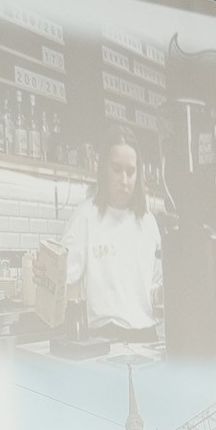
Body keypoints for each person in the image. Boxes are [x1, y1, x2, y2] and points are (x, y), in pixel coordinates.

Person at [63, 127, 162, 338]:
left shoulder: (148, 222)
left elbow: (155, 288)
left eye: (131, 172)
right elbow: (63, 278)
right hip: (104, 338)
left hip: (146, 337)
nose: (124, 180)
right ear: (104, 169)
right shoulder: (85, 216)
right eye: (117, 169)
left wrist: (163, 293)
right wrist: (46, 271)